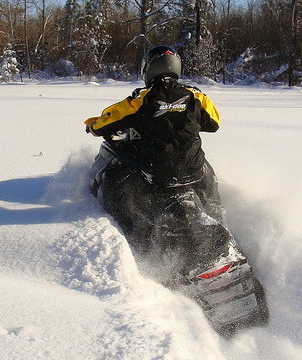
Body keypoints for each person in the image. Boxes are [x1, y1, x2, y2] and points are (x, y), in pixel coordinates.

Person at [84, 45, 227, 274]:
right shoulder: (196, 95)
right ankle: (219, 217)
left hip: (158, 176)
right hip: (194, 173)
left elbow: (108, 121)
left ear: (148, 70)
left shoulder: (142, 99)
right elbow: (214, 123)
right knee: (208, 172)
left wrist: (93, 125)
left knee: (121, 180)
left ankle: (136, 241)